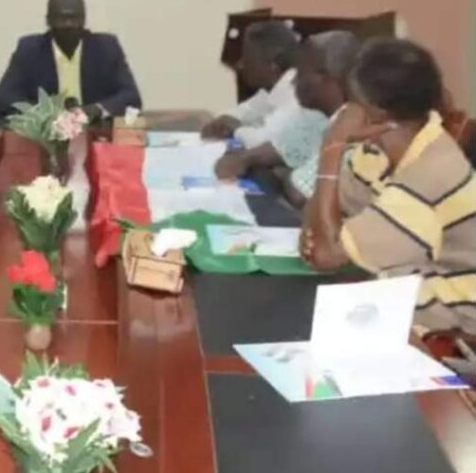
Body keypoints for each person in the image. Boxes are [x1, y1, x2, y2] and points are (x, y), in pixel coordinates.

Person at [300, 39, 476, 337]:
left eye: (351, 101)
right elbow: (314, 224)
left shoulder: (433, 170)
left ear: (374, 112)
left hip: (454, 327)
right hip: (406, 297)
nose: (345, 111)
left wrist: (332, 146)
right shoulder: (375, 152)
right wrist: (322, 236)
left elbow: (325, 254)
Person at [214, 31, 360, 208]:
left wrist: (284, 173)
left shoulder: (354, 124)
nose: (294, 81)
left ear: (326, 77)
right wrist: (246, 158)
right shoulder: (316, 116)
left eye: (301, 72)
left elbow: (300, 193)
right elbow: (282, 148)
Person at [0, 0, 141, 121]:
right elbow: (3, 99)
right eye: (61, 18)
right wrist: (47, 113)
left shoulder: (106, 48)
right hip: (45, 134)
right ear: (48, 21)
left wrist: (96, 109)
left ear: (84, 20)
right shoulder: (30, 49)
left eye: (74, 18)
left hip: (95, 130)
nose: (68, 24)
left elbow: (131, 96)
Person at [201, 20, 299, 148]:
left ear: (274, 63)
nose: (241, 65)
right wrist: (223, 121)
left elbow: (267, 141)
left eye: (249, 58)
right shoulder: (269, 92)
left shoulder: (297, 93)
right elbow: (243, 112)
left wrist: (236, 130)